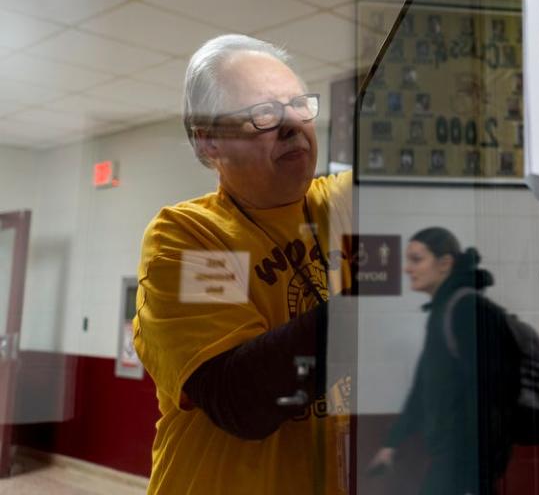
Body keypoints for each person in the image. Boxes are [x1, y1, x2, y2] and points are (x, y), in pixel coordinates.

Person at [133, 35, 353, 494]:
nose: (292, 123)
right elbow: (241, 398)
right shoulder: (187, 237)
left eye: (298, 105)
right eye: (264, 113)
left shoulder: (339, 204)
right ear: (209, 140)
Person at [367, 228, 519, 494]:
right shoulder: (444, 310)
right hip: (452, 458)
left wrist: (477, 472)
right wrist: (392, 443)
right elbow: (423, 386)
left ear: (445, 264)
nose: (407, 269)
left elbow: (489, 393)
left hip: (464, 463)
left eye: (416, 260)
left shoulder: (465, 310)